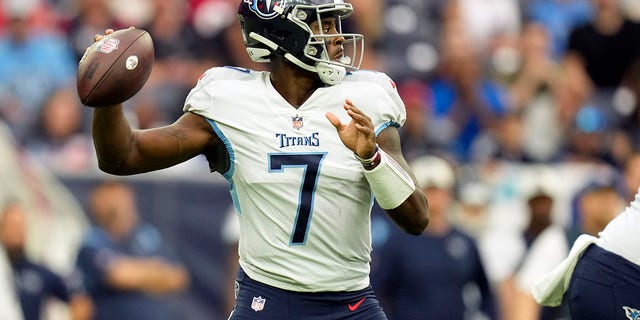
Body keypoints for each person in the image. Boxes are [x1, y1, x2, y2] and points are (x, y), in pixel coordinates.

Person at [86, 0, 429, 319]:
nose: (338, 37)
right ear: (283, 34)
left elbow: (417, 219)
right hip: (268, 301)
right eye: (323, 25)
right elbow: (122, 157)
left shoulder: (366, 98)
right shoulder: (230, 100)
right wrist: (109, 95)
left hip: (351, 303)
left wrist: (372, 158)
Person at [371, 155, 496, 320]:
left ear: (449, 194)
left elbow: (486, 292)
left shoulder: (465, 242)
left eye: (438, 191)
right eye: (427, 192)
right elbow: (378, 291)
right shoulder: (396, 243)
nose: (434, 200)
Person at [75, 180, 190, 320]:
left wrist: (136, 271)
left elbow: (178, 277)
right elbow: (118, 275)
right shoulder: (92, 241)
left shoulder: (147, 235)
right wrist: (156, 270)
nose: (118, 204)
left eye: (121, 197)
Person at [532, 187, 640, 319]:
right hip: (615, 277)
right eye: (600, 198)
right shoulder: (559, 237)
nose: (606, 205)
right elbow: (526, 297)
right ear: (584, 202)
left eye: (610, 198)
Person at [0, 200, 94, 320]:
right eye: (11, 226)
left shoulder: (38, 272)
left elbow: (80, 301)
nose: (16, 232)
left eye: (20, 226)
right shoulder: (2, 270)